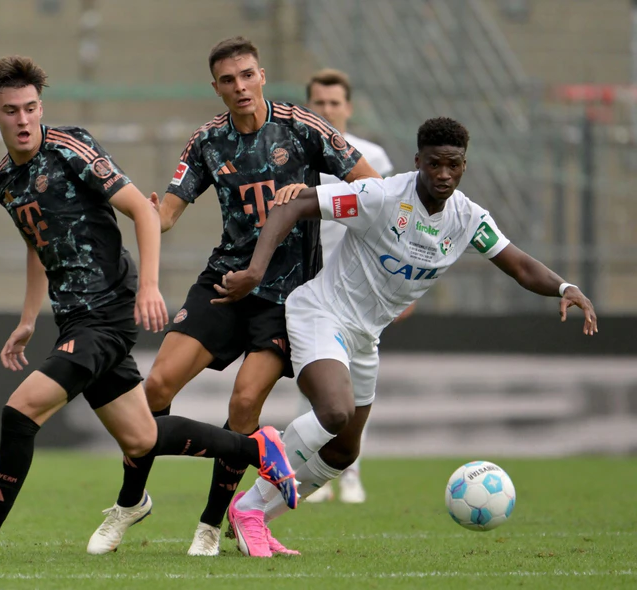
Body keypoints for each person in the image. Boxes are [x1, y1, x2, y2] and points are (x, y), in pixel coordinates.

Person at [0, 55, 298, 566]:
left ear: (41, 108)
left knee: (20, 411)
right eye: (11, 111)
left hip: (106, 313)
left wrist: (149, 286)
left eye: (31, 108)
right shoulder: (3, 182)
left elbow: (143, 208)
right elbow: (37, 244)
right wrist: (29, 318)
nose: (24, 119)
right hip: (72, 318)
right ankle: (258, 449)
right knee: (143, 437)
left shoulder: (70, 147)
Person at [213, 116, 598, 557]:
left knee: (343, 452)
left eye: (453, 165)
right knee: (334, 412)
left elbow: (521, 266)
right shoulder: (379, 196)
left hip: (365, 336)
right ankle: (250, 505)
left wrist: (565, 288)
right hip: (323, 313)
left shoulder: (468, 218)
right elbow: (290, 206)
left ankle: (255, 514)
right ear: (418, 161)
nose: (443, 175)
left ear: (464, 166)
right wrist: (255, 271)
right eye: (434, 164)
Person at [87, 36, 380, 558]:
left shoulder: (303, 128)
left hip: (287, 297)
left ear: (262, 75)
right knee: (154, 388)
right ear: (216, 87)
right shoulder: (208, 141)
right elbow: (171, 212)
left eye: (247, 75)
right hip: (225, 284)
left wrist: (312, 198)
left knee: (245, 401)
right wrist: (150, 213)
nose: (240, 86)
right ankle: (131, 501)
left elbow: (373, 188)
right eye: (228, 79)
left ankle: (209, 524)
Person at [303, 68, 396, 504]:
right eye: (319, 104)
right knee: (318, 380)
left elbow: (396, 222)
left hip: (363, 291)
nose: (327, 110)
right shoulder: (299, 155)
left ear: (348, 107)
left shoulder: (372, 157)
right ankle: (318, 467)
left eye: (334, 103)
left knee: (359, 386)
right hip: (312, 285)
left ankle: (351, 470)